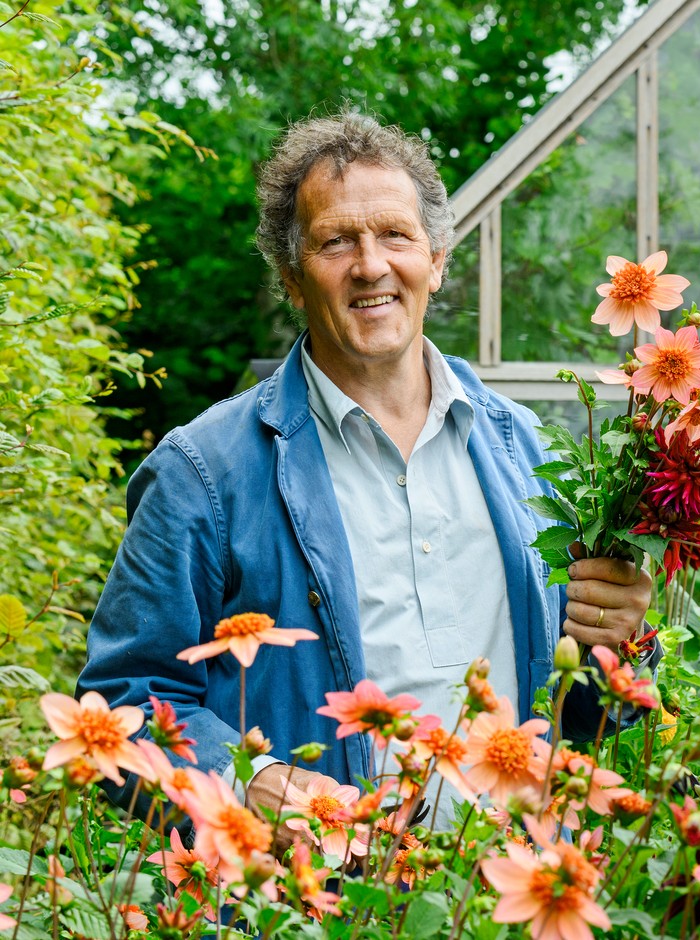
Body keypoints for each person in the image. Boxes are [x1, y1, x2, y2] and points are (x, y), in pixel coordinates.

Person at [77, 111, 658, 839]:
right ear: (292, 277)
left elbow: (594, 715)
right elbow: (120, 700)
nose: (371, 265)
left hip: (514, 890)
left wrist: (623, 642)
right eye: (335, 242)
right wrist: (242, 784)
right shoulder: (204, 472)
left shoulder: (532, 452)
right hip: (320, 900)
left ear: (437, 259)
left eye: (395, 235)